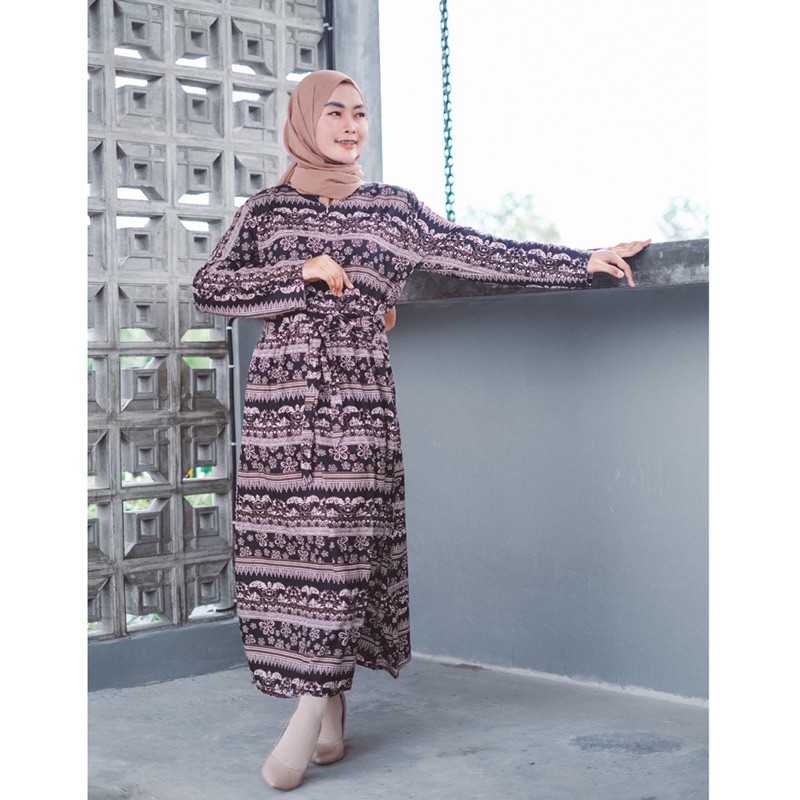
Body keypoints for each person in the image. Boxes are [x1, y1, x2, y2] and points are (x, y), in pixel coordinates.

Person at [192, 68, 650, 791]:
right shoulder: (265, 212)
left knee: (341, 548)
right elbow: (210, 285)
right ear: (305, 120)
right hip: (279, 404)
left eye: (360, 113)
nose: (350, 125)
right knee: (291, 555)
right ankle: (330, 705)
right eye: (335, 112)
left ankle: (305, 718)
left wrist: (579, 260)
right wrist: (301, 272)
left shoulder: (393, 209)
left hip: (357, 400)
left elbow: (479, 252)